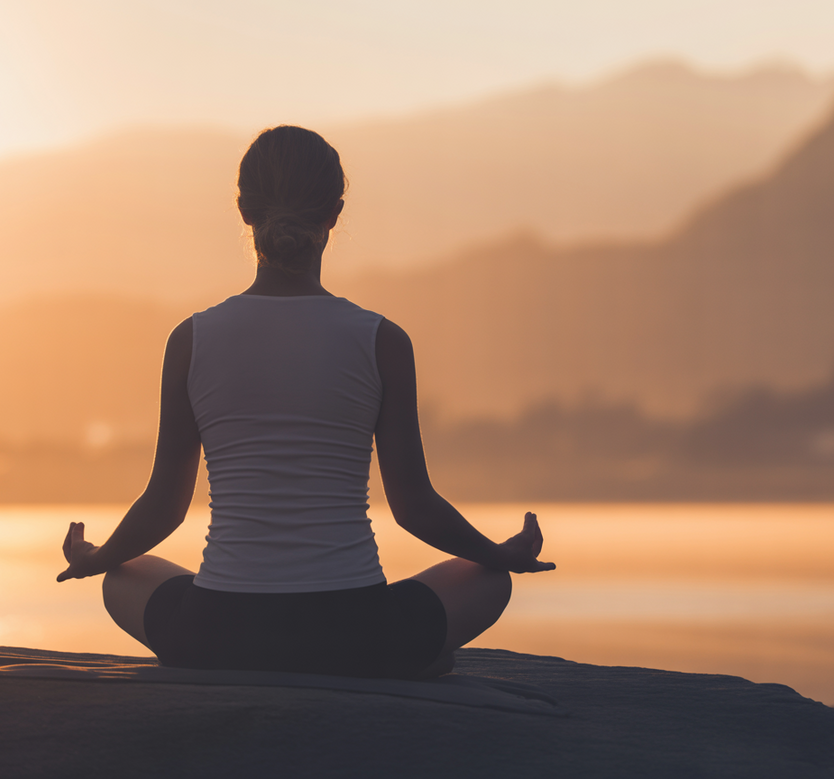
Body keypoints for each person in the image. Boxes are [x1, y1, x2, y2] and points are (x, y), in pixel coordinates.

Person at [56, 125, 555, 679]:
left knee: (123, 576)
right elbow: (414, 507)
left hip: (214, 635)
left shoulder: (191, 340)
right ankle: (413, 655)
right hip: (358, 635)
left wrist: (96, 559)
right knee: (488, 581)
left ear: (244, 211)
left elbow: (164, 506)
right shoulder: (382, 340)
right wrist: (502, 555)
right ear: (334, 214)